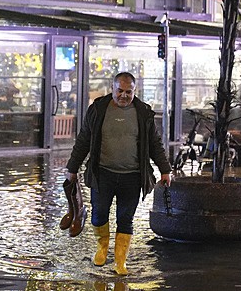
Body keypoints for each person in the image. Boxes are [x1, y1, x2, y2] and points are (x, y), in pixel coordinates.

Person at [65, 72, 172, 275]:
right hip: (102, 174)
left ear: (134, 91)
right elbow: (84, 140)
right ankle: (102, 249)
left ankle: (120, 262)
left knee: (125, 218)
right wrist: (72, 168)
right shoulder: (97, 109)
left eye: (128, 92)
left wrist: (165, 170)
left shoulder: (143, 113)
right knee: (98, 214)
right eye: (120, 91)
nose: (124, 95)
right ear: (112, 88)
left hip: (132, 176)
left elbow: (155, 144)